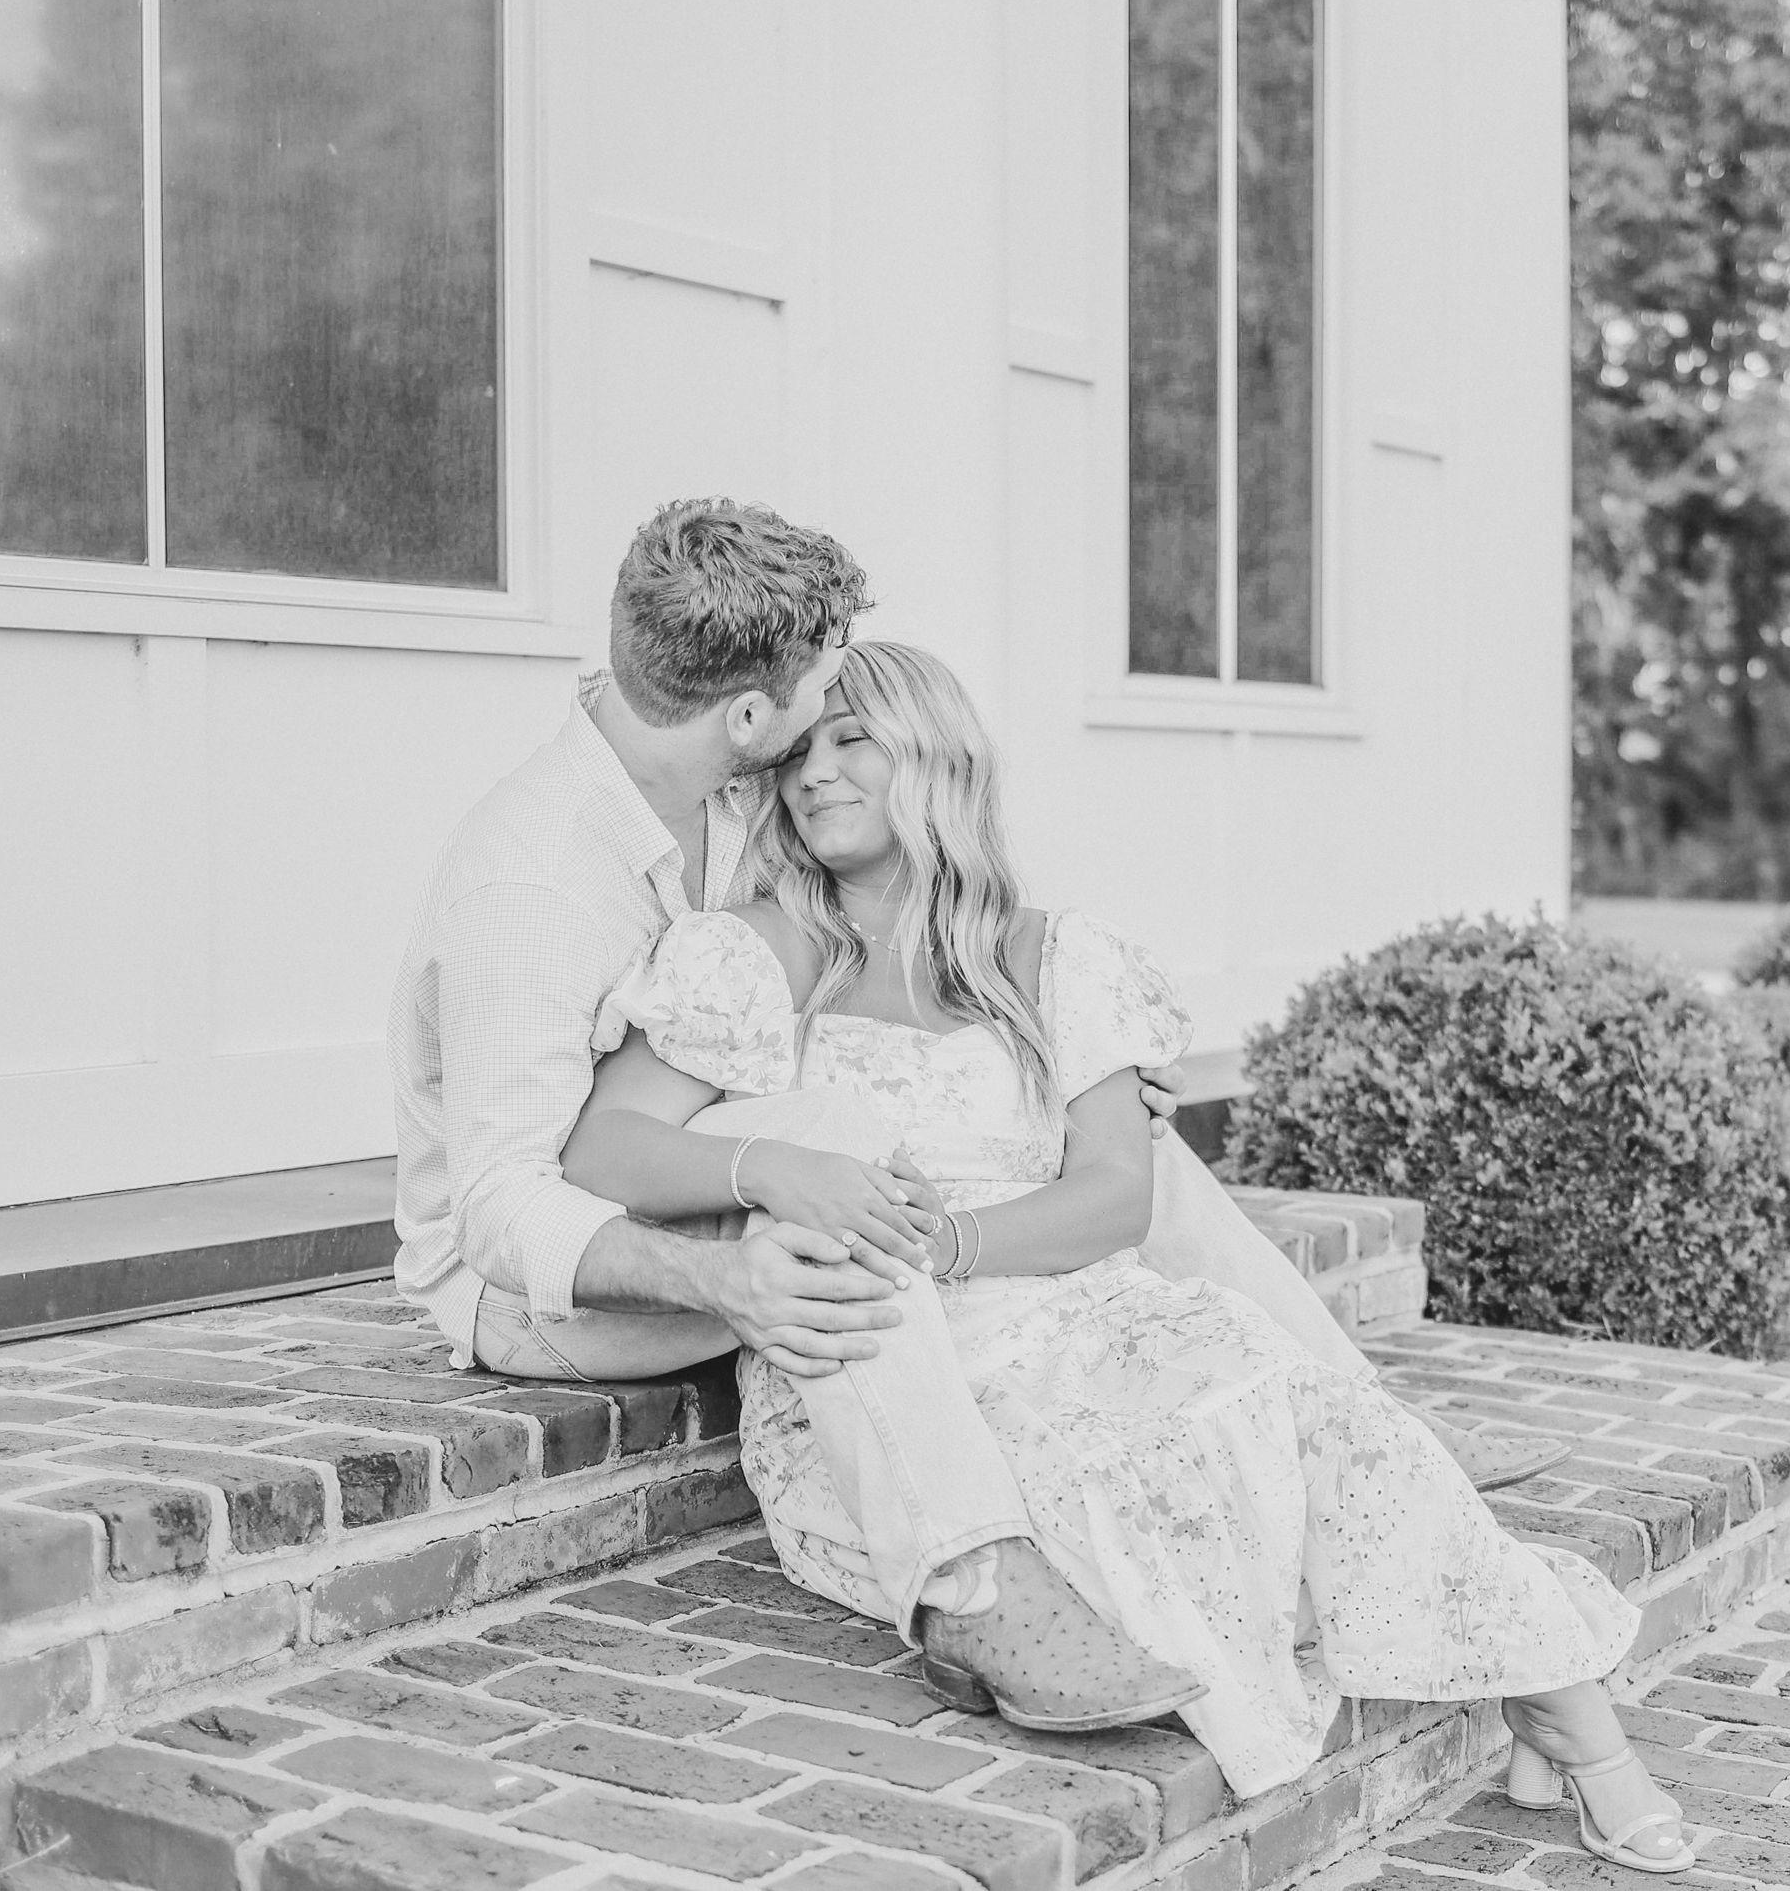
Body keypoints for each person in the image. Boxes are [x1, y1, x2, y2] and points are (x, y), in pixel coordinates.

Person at [565, 640, 1692, 1873]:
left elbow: (1111, 1194)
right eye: (795, 754)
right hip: (896, 1378)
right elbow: (605, 1147)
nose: (813, 773)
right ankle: (1550, 1705)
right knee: (1163, 1495)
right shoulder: (753, 953)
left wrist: (949, 1238)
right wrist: (770, 1166)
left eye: (851, 741)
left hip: (1078, 1310)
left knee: (1306, 1414)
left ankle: (1565, 1710)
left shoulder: (1052, 957)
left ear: (935, 758)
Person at [391, 497, 1198, 1730]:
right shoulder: (532, 887)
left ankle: (1326, 1398)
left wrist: (1063, 1064)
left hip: (697, 1177)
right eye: (820, 690)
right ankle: (969, 1582)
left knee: (1109, 1122)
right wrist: (731, 1270)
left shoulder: (721, 786)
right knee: (833, 1139)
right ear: (748, 714)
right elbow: (502, 1212)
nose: (828, 720)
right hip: (548, 1289)